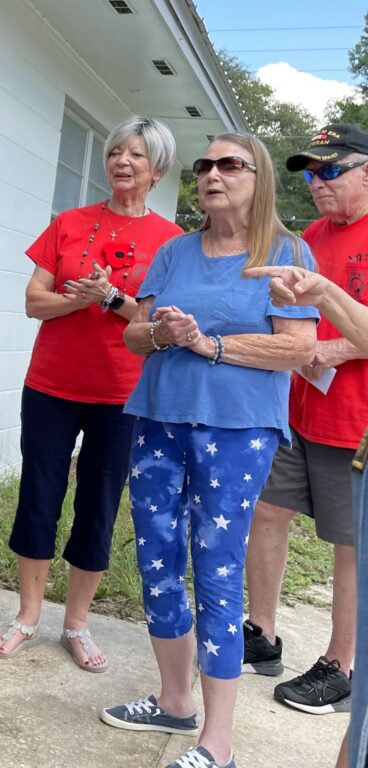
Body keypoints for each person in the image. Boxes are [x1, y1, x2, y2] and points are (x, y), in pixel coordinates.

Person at [100, 132, 318, 768]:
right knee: (156, 559)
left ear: (259, 177)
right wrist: (162, 332)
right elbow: (134, 337)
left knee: (216, 567)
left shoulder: (285, 252)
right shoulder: (173, 252)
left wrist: (211, 346)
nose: (212, 173)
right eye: (204, 164)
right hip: (159, 419)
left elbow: (300, 349)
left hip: (238, 428)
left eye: (229, 164)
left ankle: (216, 741)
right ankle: (175, 701)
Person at [0, 116, 183, 671]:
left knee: (99, 501)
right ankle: (26, 615)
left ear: (157, 169)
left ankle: (76, 624)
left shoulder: (171, 242)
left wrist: (109, 297)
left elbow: (152, 320)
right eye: (117, 151)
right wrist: (82, 298)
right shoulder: (69, 223)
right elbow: (33, 302)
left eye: (136, 155)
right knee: (39, 492)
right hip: (51, 383)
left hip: (122, 392)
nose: (123, 161)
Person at [242, 124, 368, 718]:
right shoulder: (310, 238)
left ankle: (341, 665)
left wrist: (335, 350)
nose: (317, 183)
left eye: (330, 170)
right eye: (310, 173)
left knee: (350, 546)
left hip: (356, 421)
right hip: (298, 411)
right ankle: (261, 634)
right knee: (268, 511)